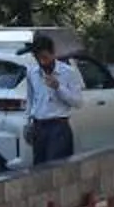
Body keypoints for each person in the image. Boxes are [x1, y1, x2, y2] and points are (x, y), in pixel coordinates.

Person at [22, 33, 78, 167]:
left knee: (55, 167)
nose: (42, 62)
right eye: (38, 58)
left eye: (45, 58)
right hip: (39, 126)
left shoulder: (68, 72)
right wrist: (28, 121)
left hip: (58, 126)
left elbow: (78, 102)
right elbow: (31, 98)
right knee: (39, 167)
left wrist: (58, 87)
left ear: (53, 54)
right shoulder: (32, 73)